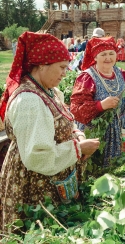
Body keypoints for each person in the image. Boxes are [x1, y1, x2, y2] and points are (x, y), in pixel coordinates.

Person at [0, 32, 100, 232]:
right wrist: (78, 149)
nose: (65, 72)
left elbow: (62, 119)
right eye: (62, 67)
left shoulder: (49, 91)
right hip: (33, 183)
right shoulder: (29, 101)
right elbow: (37, 156)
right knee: (37, 230)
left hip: (54, 178)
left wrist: (77, 134)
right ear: (42, 64)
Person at [70, 37, 125, 166]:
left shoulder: (123, 75)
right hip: (97, 136)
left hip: (122, 131)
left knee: (120, 169)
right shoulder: (87, 78)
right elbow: (76, 109)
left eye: (111, 53)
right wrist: (101, 105)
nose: (108, 57)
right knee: (96, 175)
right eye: (103, 54)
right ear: (95, 57)